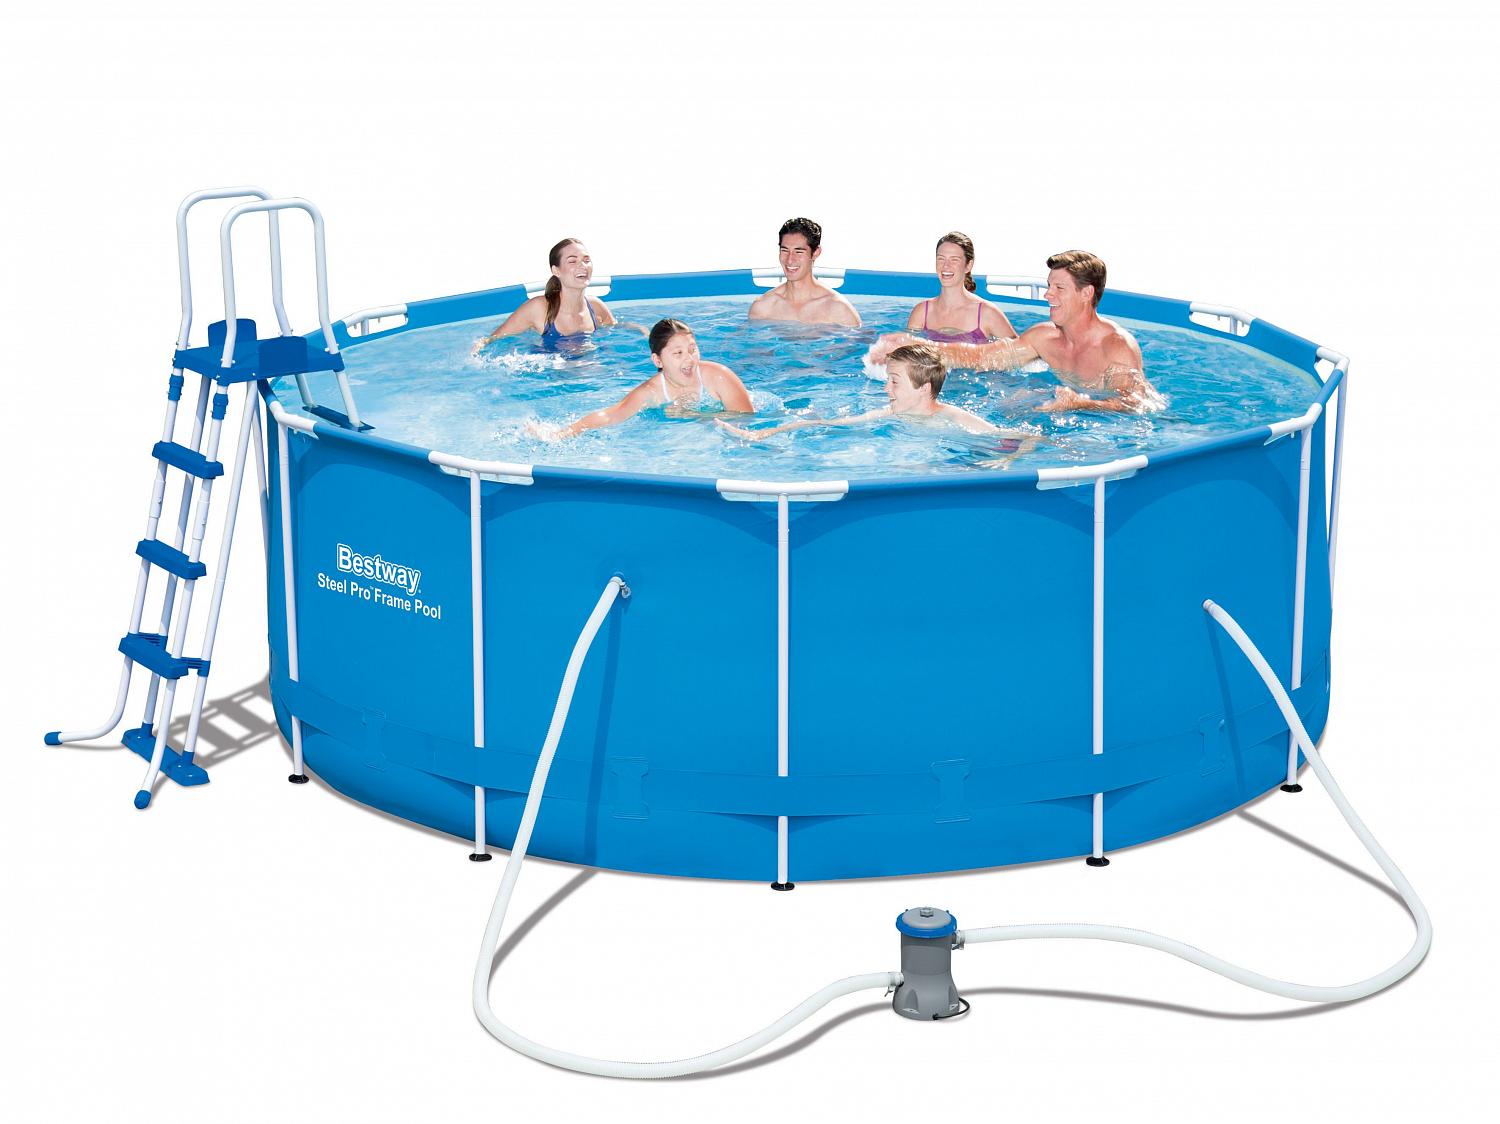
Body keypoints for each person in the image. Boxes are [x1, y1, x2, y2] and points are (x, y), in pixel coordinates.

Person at [868, 251, 1163, 414]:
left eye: (1059, 288)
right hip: (1061, 407)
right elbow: (982, 358)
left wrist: (1082, 404)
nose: (1047, 295)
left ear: (1086, 293)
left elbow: (1137, 404)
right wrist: (915, 345)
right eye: (1049, 286)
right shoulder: (1043, 337)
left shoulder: (1116, 347)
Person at [716, 342, 1039, 466]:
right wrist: (763, 434)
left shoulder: (955, 419)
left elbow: (1030, 438)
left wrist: (1005, 460)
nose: (886, 389)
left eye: (894, 381)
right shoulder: (888, 413)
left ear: (924, 389)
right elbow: (827, 425)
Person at [539, 319, 754, 439]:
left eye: (692, 349)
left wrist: (695, 416)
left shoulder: (718, 376)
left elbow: (746, 419)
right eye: (678, 353)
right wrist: (561, 434)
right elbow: (610, 415)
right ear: (658, 360)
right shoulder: (652, 392)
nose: (689, 359)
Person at [474, 237, 618, 350]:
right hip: (551, 374)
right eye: (572, 261)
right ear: (556, 271)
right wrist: (476, 349)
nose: (583, 265)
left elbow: (618, 330)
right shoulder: (539, 308)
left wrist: (634, 328)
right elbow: (493, 339)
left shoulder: (596, 306)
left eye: (586, 260)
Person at [747, 217, 862, 327]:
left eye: (799, 252)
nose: (790, 260)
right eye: (785, 250)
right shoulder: (763, 308)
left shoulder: (839, 310)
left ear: (816, 252)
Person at [908, 232, 1016, 343]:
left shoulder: (987, 313)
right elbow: (907, 351)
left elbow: (1020, 350)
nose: (946, 266)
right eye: (941, 259)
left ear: (968, 265)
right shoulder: (922, 312)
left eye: (954, 260)